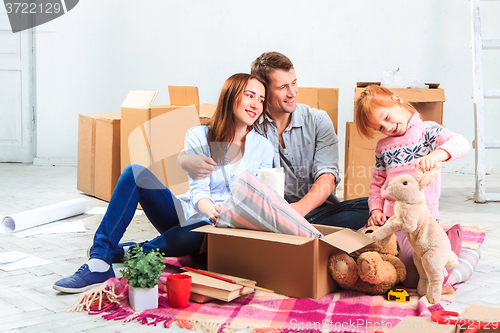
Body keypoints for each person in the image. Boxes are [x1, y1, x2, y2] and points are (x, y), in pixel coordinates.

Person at [53, 73, 274, 293]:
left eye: (261, 100)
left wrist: (225, 217)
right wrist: (212, 211)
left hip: (223, 232)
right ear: (231, 96)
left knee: (202, 228)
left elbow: (258, 199)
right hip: (191, 214)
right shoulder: (199, 135)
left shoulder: (263, 148)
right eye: (250, 96)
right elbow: (199, 192)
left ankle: (139, 251)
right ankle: (99, 262)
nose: (256, 104)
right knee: (135, 173)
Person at [179, 52, 370, 230]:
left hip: (316, 211)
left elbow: (327, 175)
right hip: (272, 216)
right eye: (282, 87)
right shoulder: (250, 122)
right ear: (265, 91)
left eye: (294, 83)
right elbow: (217, 131)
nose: (292, 93)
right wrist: (184, 159)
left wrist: (297, 211)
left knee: (368, 206)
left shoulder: (318, 120)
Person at [354, 84, 470, 287]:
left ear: (397, 100)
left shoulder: (426, 132)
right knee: (359, 246)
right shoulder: (383, 146)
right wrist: (375, 210)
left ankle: (449, 243)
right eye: (380, 127)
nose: (387, 127)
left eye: (387, 118)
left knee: (413, 274)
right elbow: (377, 182)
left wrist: (435, 156)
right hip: (390, 220)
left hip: (419, 223)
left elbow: (461, 143)